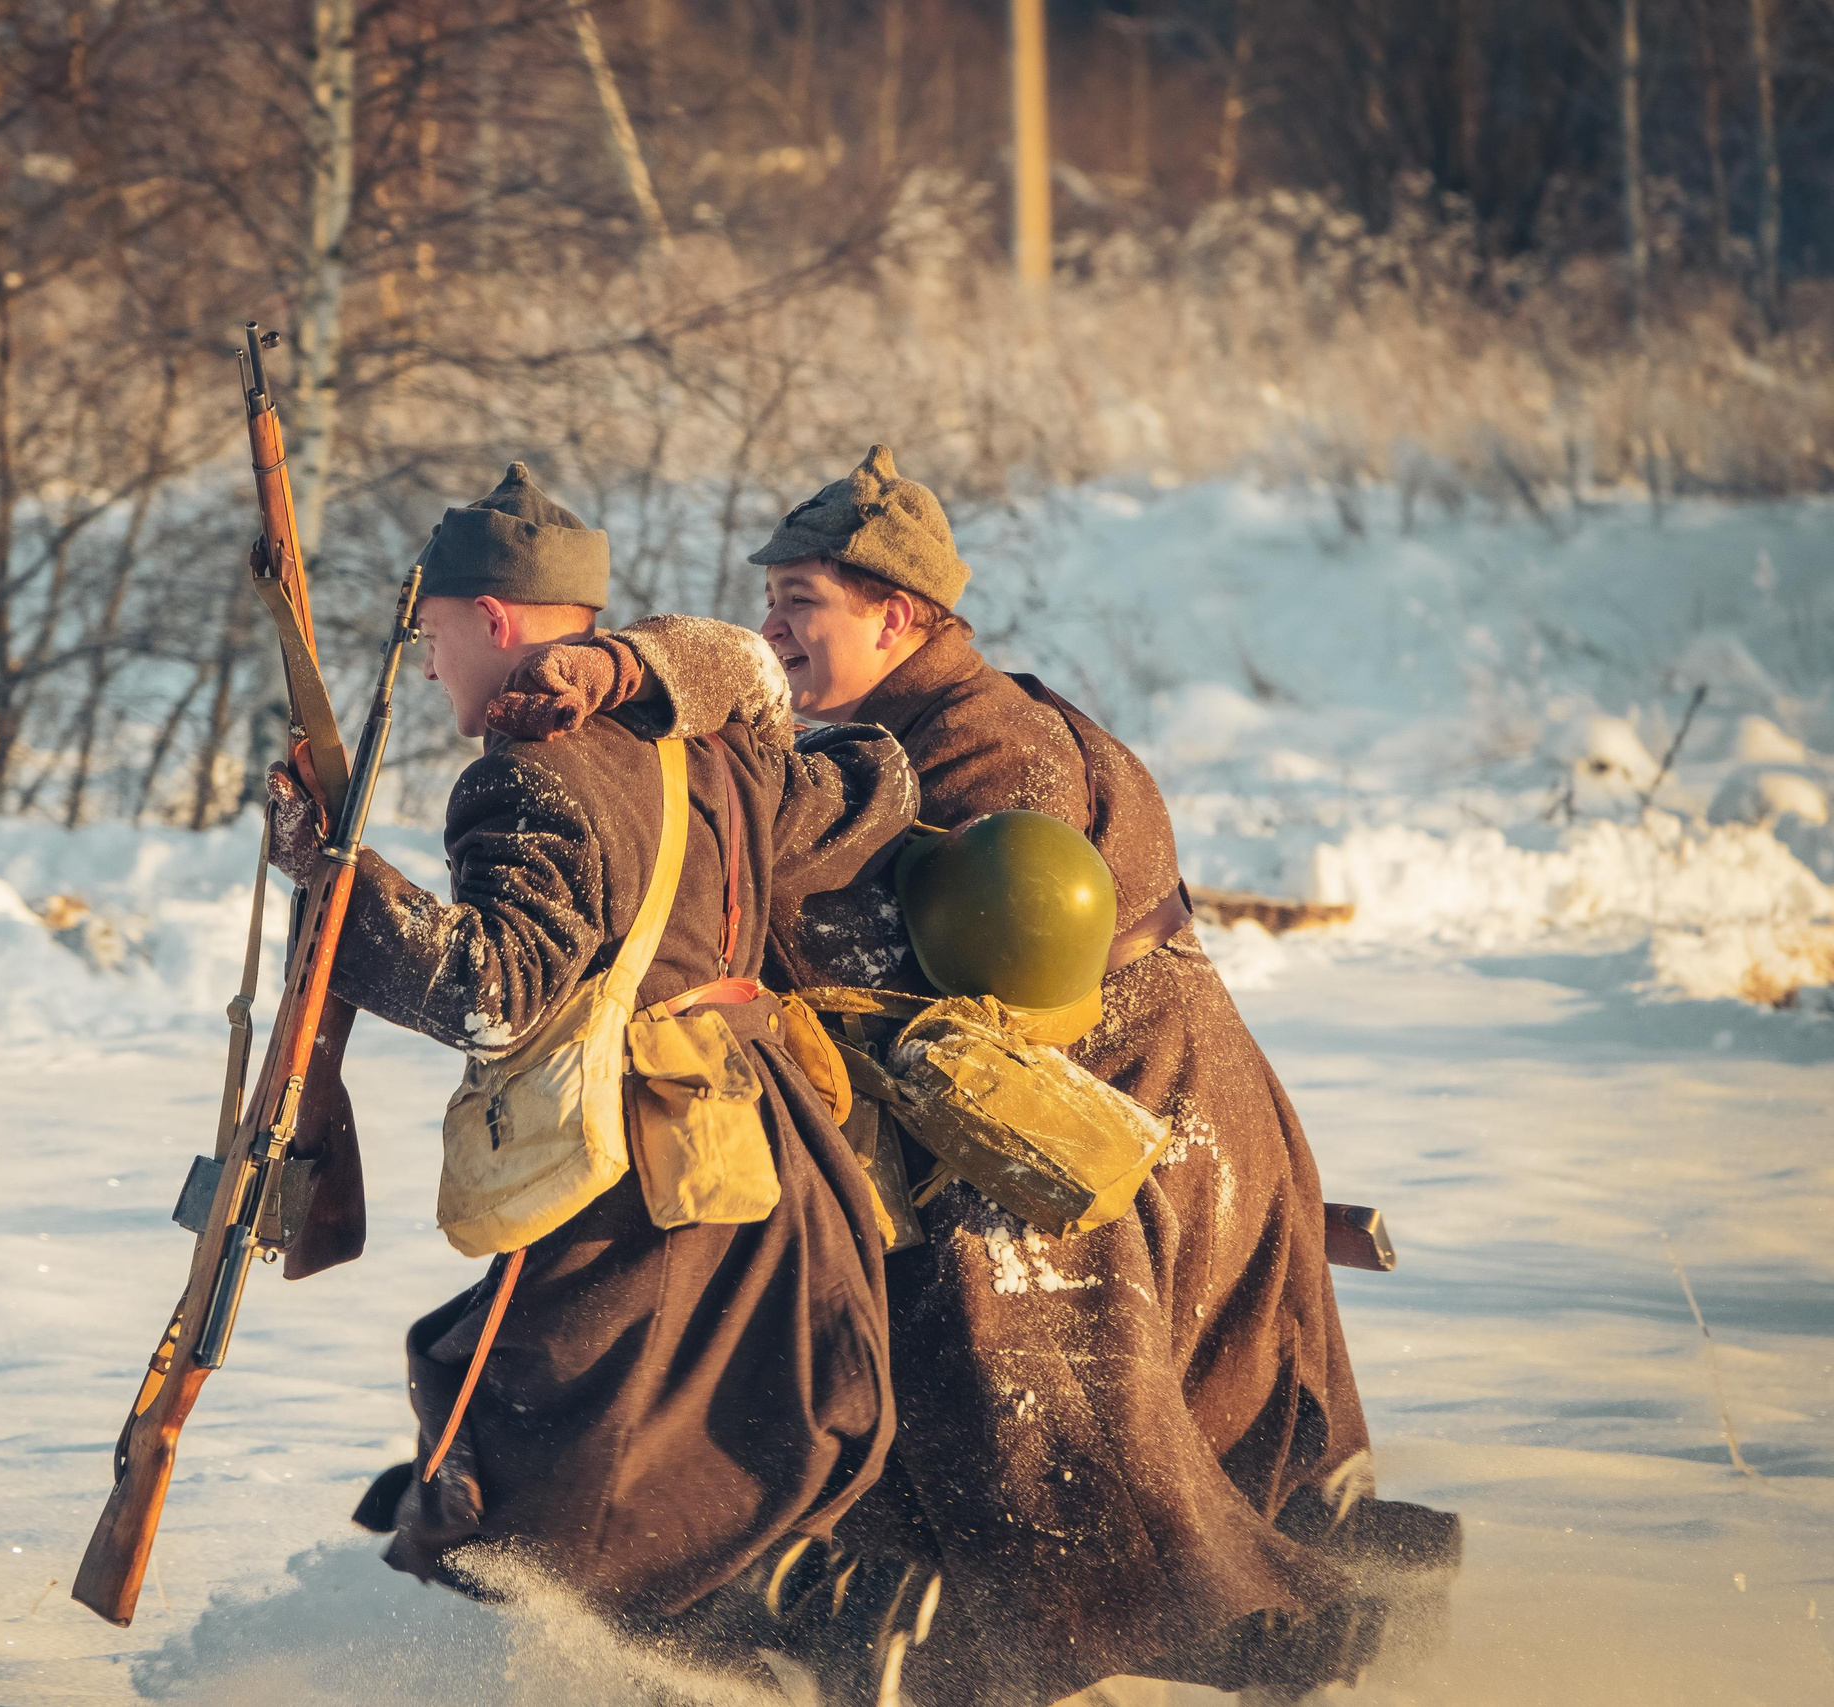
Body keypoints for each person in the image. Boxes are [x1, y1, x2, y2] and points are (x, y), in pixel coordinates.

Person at [489, 446, 1459, 1705]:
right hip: (1127, 1117)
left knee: (999, 1390)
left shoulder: (994, 756)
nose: (775, 626)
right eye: (772, 598)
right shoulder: (921, 718)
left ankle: (1075, 1625)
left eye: (802, 603)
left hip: (1111, 1138)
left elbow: (941, 985)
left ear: (899, 615)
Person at [264, 462, 932, 1696]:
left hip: (640, 1183)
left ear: (497, 621)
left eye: (435, 633)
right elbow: (878, 781)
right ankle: (789, 1619)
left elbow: (493, 989)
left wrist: (335, 879)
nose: (424, 665)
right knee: (656, 1456)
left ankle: (771, 1627)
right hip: (771, 1161)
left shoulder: (526, 772)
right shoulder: (706, 744)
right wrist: (678, 673)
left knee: (536, 1475)